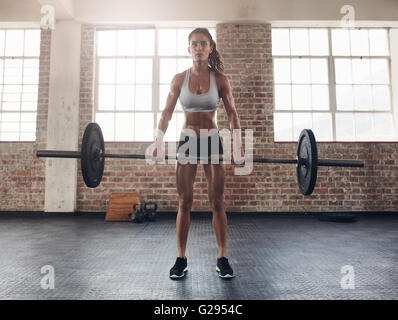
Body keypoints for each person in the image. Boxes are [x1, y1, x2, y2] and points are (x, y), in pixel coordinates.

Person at [153, 28, 243, 279]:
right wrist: (158, 141)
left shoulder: (221, 79)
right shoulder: (179, 79)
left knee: (217, 202)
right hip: (188, 140)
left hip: (212, 140)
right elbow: (166, 113)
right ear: (189, 48)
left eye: (203, 43)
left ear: (210, 47)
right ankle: (180, 259)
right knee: (185, 202)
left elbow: (233, 114)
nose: (199, 48)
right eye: (194, 44)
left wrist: (237, 144)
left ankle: (222, 258)